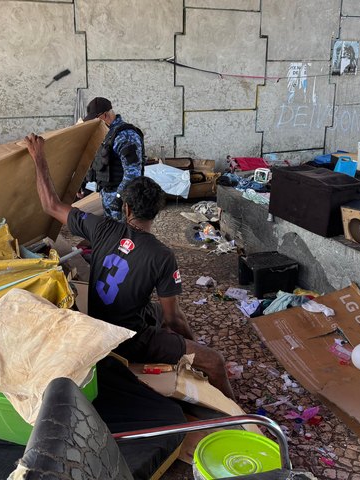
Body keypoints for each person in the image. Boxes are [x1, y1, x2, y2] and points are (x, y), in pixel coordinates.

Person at [25, 133, 235, 399]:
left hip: (100, 326)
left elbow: (50, 204)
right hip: (129, 339)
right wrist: (194, 347)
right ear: (157, 211)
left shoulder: (100, 228)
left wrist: (38, 157)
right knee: (213, 360)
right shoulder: (162, 255)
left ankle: (168, 357)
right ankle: (237, 419)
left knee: (156, 312)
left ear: (126, 208)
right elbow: (175, 318)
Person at [83, 97, 145, 221]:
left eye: (95, 119)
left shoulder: (125, 135)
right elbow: (101, 162)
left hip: (123, 201)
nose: (93, 122)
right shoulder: (107, 134)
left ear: (104, 115)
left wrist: (119, 198)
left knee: (124, 236)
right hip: (107, 196)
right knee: (111, 236)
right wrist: (84, 181)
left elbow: (133, 172)